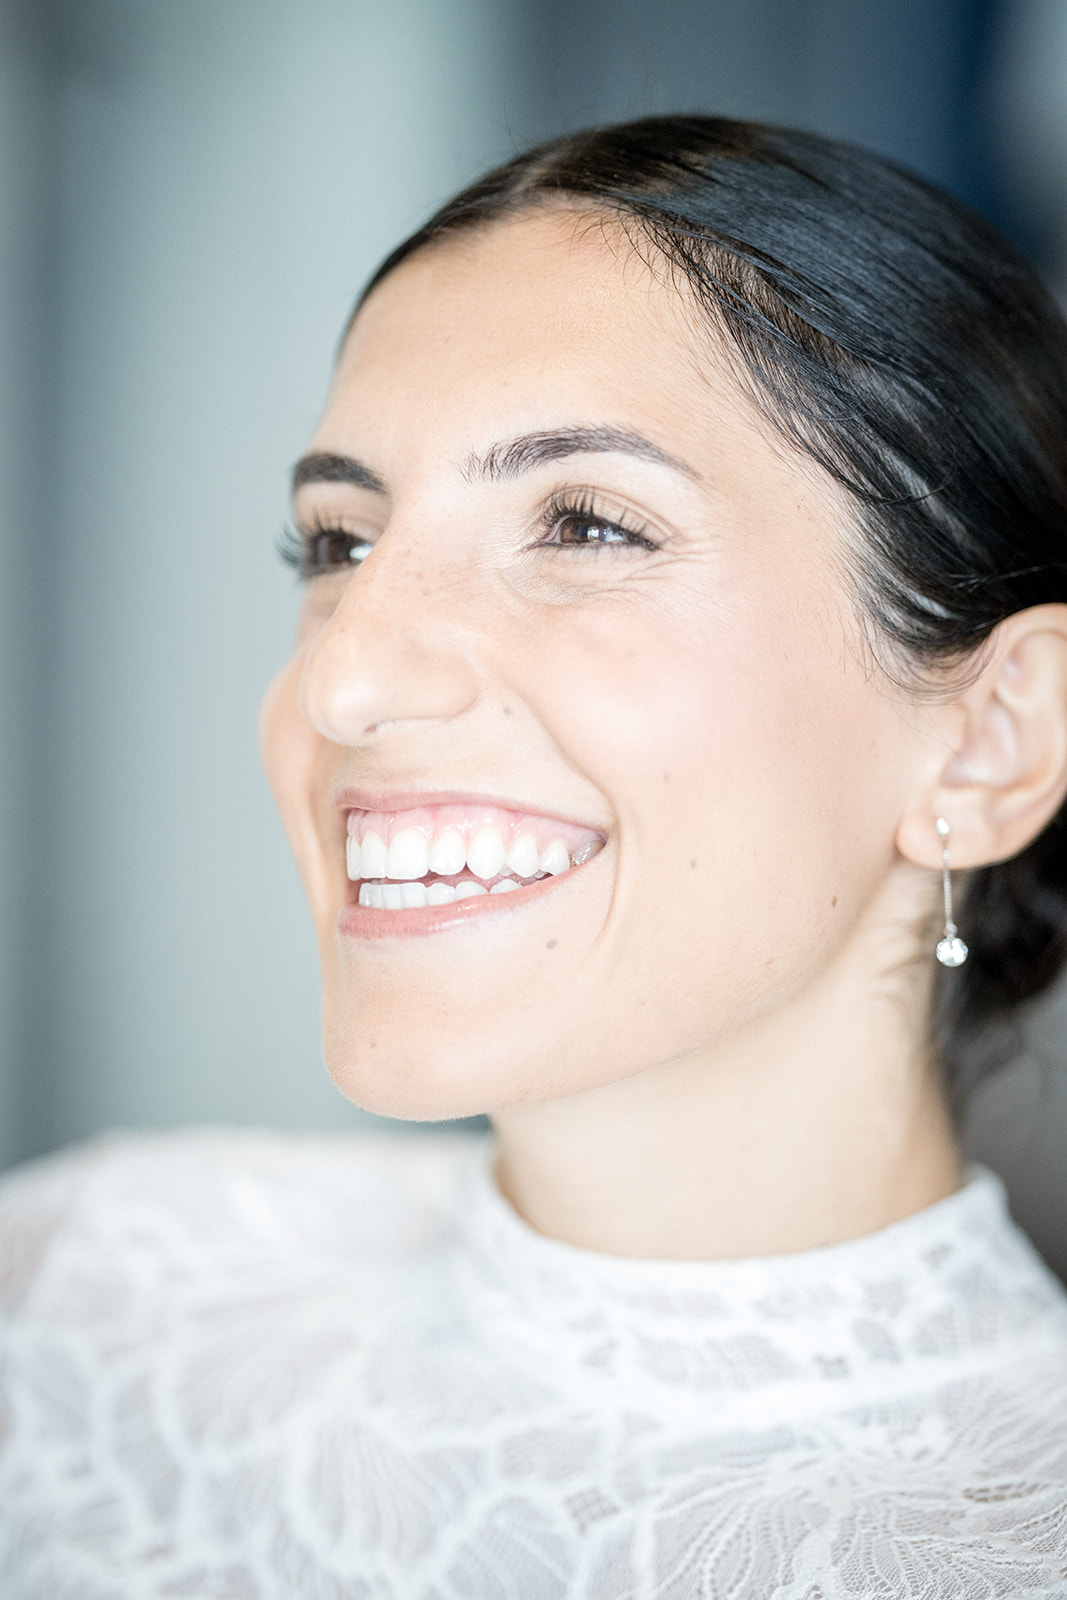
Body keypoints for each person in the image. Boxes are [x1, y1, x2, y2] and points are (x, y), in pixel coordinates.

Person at [2, 115, 1067, 1598]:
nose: (346, 681)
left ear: (991, 740)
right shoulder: (80, 1294)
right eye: (338, 543)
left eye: (586, 524)